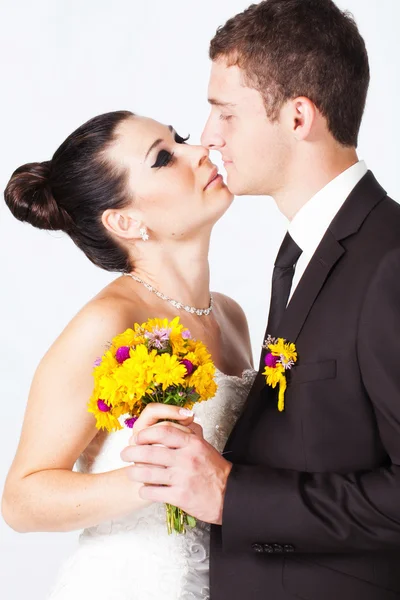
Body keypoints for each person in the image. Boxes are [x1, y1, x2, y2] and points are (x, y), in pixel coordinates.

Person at [122, 1, 400, 599]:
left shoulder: (390, 261)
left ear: (298, 117)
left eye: (225, 113)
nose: (210, 137)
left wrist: (230, 495)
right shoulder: (297, 253)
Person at [1, 110, 255, 599]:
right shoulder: (108, 322)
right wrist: (152, 478)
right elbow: (20, 498)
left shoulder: (230, 315)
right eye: (164, 158)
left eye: (178, 139)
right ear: (125, 220)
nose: (200, 150)